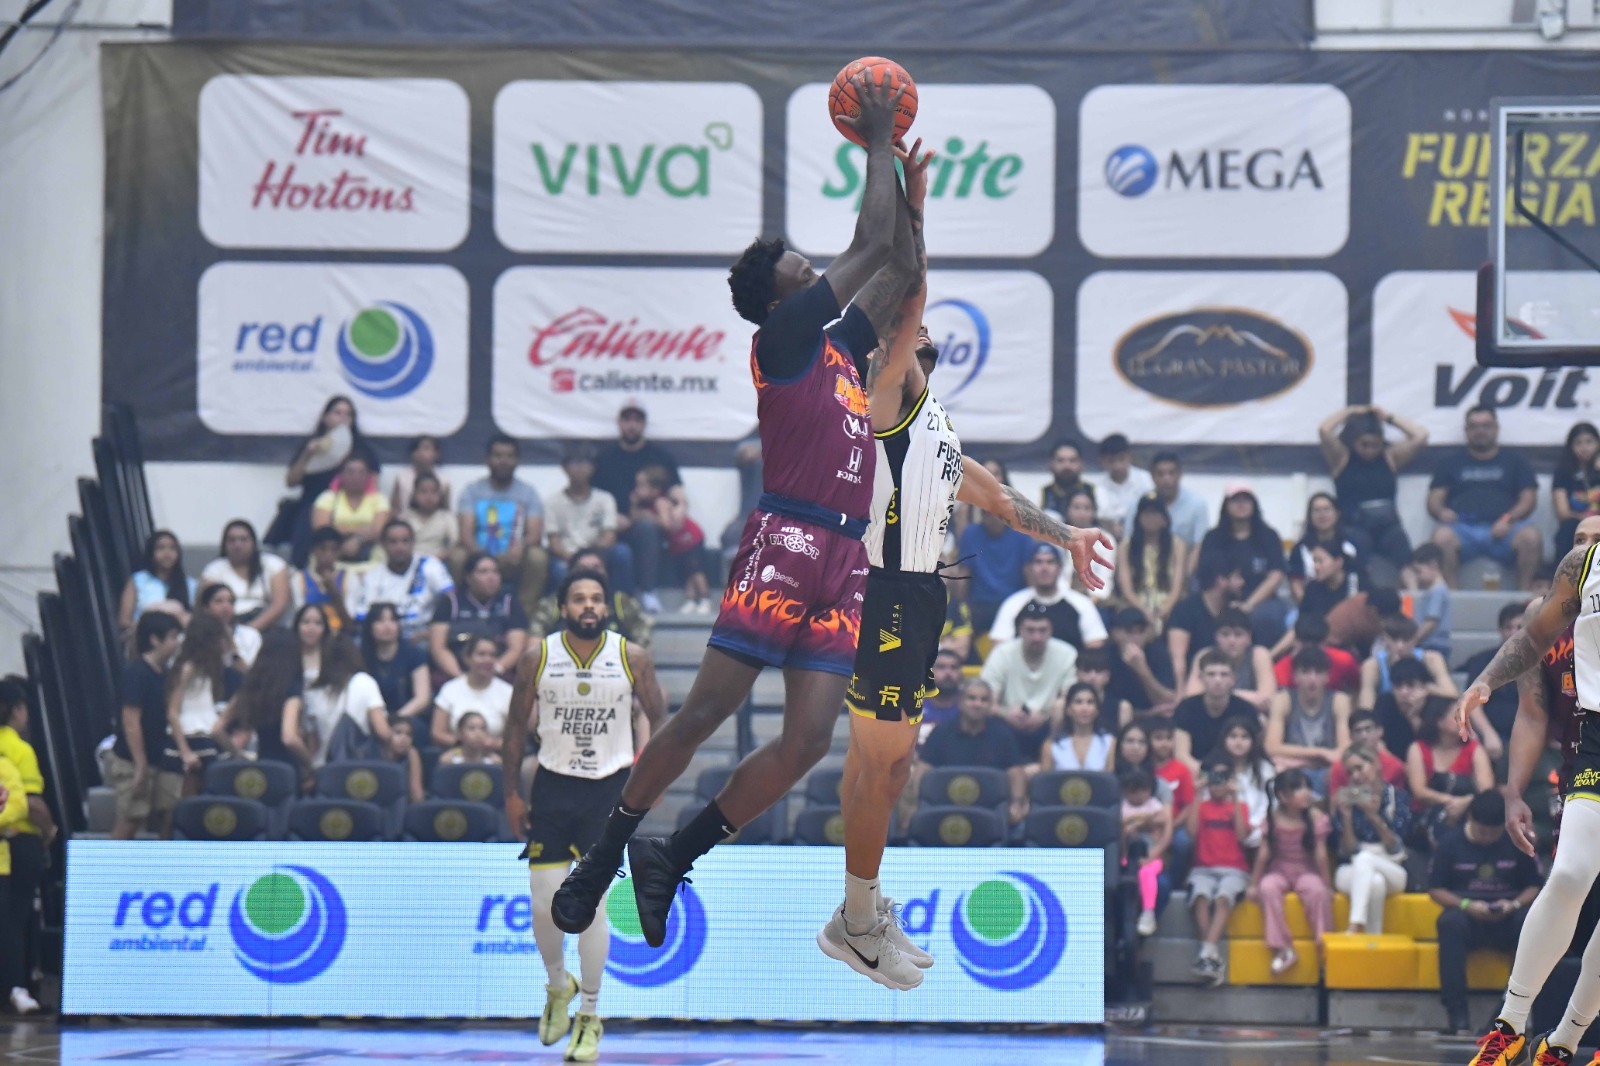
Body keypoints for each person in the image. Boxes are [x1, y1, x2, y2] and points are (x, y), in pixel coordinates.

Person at [549, 71, 916, 950]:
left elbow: (899, 269)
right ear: (781, 296)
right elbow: (870, 244)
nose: (811, 267)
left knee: (809, 741)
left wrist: (914, 194)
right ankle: (604, 854)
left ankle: (672, 854)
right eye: (799, 267)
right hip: (786, 539)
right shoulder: (781, 340)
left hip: (844, 556)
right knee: (705, 712)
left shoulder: (840, 347)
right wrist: (877, 140)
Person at [824, 244, 1116, 990]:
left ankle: (859, 910)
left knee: (889, 766)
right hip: (884, 592)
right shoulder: (882, 394)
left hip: (923, 596)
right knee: (883, 763)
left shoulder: (936, 423)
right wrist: (911, 213)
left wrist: (1070, 536)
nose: (921, 329)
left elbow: (996, 498)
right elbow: (908, 296)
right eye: (909, 327)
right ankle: (856, 920)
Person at [504, 566, 665, 1064]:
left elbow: (659, 716)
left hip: (610, 790)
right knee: (542, 904)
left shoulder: (632, 656)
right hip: (552, 786)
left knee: (590, 906)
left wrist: (652, 774)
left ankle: (591, 1014)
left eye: (596, 597)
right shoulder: (537, 657)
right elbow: (514, 727)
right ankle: (559, 985)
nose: (589, 605)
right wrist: (511, 793)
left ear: (607, 607)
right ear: (562, 608)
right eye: (579, 598)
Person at [1455, 531, 1600, 1066]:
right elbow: (1535, 637)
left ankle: (1563, 1043)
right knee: (1569, 875)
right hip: (1594, 741)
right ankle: (1510, 1025)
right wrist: (1486, 680)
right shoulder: (1584, 566)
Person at [1430, 791, 1542, 1036]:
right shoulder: (1450, 843)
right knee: (1449, 922)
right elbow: (1436, 889)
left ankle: (1508, 1012)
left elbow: (1535, 886)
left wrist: (1513, 904)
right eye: (1482, 832)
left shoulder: (1518, 842)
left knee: (1529, 922)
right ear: (1471, 818)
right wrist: (1466, 905)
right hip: (1468, 916)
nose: (1488, 838)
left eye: (1494, 833)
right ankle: (1457, 1016)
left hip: (1508, 916)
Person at [1428, 404, 1541, 590]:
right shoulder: (1449, 462)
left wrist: (1508, 519)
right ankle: (1452, 600)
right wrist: (1441, 512)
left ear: (1496, 428)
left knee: (1531, 537)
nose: (1480, 431)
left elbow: (1528, 500)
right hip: (1462, 528)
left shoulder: (1516, 461)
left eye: (1486, 426)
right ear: (1466, 430)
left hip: (1505, 527)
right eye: (1474, 426)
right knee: (1441, 538)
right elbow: (1434, 500)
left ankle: (1525, 599)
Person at [593, 401, 684, 615]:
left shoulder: (659, 456)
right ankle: (617, 601)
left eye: (637, 420)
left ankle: (648, 592)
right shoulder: (605, 458)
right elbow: (592, 497)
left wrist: (680, 509)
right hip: (611, 523)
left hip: (646, 522)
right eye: (627, 420)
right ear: (619, 423)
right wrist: (611, 518)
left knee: (646, 527)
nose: (632, 425)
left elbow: (677, 493)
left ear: (644, 424)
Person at [1319, 404, 1428, 573]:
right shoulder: (1342, 458)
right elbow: (1324, 431)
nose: (1369, 450)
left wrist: (1389, 418)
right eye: (1364, 444)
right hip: (1353, 527)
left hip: (1387, 527)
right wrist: (1350, 412)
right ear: (1354, 441)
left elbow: (1421, 436)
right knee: (1358, 549)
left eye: (1375, 445)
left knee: (1405, 557)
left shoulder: (1390, 457)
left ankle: (1409, 590)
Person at [907, 678, 1028, 830]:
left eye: (984, 700)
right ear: (960, 702)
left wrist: (1017, 803)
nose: (977, 704)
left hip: (990, 810)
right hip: (945, 807)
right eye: (972, 698)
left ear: (991, 705)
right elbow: (922, 769)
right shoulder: (941, 732)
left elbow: (1016, 772)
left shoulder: (1003, 735)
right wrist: (915, 804)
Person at [0, 677, 55, 1013]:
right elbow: (33, 803)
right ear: (18, 710)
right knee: (18, 918)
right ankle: (19, 987)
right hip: (21, 841)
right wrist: (50, 831)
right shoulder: (20, 750)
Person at [1248, 769, 1332, 978]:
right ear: (1283, 797)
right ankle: (1283, 948)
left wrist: (1327, 885)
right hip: (1280, 869)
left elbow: (1321, 855)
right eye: (1298, 789)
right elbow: (1264, 854)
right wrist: (1254, 884)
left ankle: (1324, 945)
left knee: (1317, 892)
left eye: (1307, 787)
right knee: (1268, 888)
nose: (1306, 793)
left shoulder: (1315, 818)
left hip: (1305, 870)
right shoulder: (1272, 819)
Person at [108, 612, 184, 840]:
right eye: (172, 637)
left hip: (159, 756)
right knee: (132, 817)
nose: (177, 642)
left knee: (169, 813)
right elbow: (131, 721)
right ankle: (109, 861)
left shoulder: (166, 674)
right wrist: (140, 764)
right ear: (154, 640)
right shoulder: (137, 673)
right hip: (132, 760)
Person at [456, 434, 550, 616]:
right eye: (498, 455)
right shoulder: (472, 490)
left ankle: (524, 614)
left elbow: (535, 534)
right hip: (479, 554)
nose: (503, 461)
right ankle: (460, 609)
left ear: (517, 460)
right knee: (458, 556)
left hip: (514, 558)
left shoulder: (528, 492)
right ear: (487, 459)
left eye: (509, 456)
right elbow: (466, 534)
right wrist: (481, 556)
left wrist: (520, 548)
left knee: (538, 557)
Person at [981, 603, 1079, 760]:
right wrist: (1006, 713)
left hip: (1049, 724)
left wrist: (1045, 716)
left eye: (1042, 630)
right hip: (1006, 722)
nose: (1037, 637)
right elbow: (987, 697)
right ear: (1020, 630)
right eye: (1030, 630)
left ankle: (1055, 760)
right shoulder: (1002, 653)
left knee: (1064, 707)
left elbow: (1072, 697)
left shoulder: (1067, 654)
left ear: (1051, 630)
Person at [1185, 761, 1253, 987]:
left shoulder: (1240, 806)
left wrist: (1234, 796)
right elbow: (1191, 832)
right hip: (1203, 868)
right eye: (1214, 779)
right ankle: (1211, 955)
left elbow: (1242, 835)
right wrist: (1198, 793)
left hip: (1234, 868)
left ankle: (1207, 952)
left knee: (1223, 897)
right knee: (1201, 896)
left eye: (1223, 780)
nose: (1218, 785)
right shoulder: (1202, 806)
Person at [1331, 745, 1411, 934]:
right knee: (1375, 882)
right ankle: (1373, 939)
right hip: (1353, 867)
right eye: (1350, 772)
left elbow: (1396, 847)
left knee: (1365, 859)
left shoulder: (1396, 796)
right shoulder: (1347, 801)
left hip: (1391, 866)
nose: (1356, 776)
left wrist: (1373, 816)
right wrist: (1346, 817)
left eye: (1359, 768)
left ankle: (1354, 925)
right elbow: (1348, 851)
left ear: (1376, 764)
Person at [1197, 483, 1289, 645]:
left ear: (1254, 505)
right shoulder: (1213, 537)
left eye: (1246, 500)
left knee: (1268, 616)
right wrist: (1226, 586)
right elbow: (1205, 573)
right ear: (1226, 505)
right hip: (1221, 598)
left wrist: (1249, 605)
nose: (1241, 504)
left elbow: (1276, 576)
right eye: (1235, 500)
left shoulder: (1269, 536)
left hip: (1261, 601)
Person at [282, 636, 386, 774]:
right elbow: (381, 730)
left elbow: (313, 742)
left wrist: (310, 768)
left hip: (325, 769)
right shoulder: (364, 681)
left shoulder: (313, 691)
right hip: (359, 768)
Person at [280, 395, 363, 566]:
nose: (343, 418)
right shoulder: (313, 445)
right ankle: (300, 570)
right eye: (337, 413)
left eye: (348, 414)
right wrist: (308, 454)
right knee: (305, 519)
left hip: (349, 505)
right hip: (312, 504)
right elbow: (291, 482)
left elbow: (372, 488)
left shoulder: (361, 450)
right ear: (325, 418)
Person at [164, 612, 241, 795]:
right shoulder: (187, 668)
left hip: (207, 730)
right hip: (191, 733)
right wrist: (185, 751)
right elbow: (173, 711)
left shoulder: (208, 669)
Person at [989, 542, 1108, 654]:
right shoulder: (1013, 604)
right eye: (1038, 562)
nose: (1044, 568)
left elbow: (1095, 648)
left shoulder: (1082, 604)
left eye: (1050, 562)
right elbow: (999, 650)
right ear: (1029, 568)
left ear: (1060, 568)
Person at [213, 631, 303, 775]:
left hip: (262, 765)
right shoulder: (292, 690)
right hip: (287, 769)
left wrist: (238, 755)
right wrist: (308, 764)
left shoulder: (251, 687)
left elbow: (217, 730)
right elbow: (289, 737)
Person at [351, 518, 454, 644]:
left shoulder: (429, 565)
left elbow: (452, 599)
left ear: (413, 542)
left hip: (425, 635)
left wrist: (432, 632)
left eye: (405, 541)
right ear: (383, 544)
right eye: (393, 542)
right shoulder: (372, 577)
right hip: (385, 640)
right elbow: (363, 619)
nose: (400, 547)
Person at [1407, 697, 1492, 849]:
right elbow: (1419, 791)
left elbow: (1486, 790)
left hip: (1466, 813)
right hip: (1425, 816)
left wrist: (1466, 802)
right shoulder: (1418, 749)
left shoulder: (1474, 749)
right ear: (1439, 721)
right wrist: (1452, 802)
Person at [545, 441, 630, 593]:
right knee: (558, 569)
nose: (580, 468)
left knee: (621, 552)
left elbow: (609, 536)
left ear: (593, 467)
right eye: (574, 462)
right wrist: (574, 559)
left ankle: (621, 603)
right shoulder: (552, 502)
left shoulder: (605, 499)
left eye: (585, 463)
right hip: (567, 556)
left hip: (599, 554)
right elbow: (554, 542)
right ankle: (561, 607)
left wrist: (592, 558)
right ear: (564, 468)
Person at [429, 553, 529, 682]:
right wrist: (461, 678)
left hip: (498, 674)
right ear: (468, 577)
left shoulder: (509, 602)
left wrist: (494, 671)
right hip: (456, 673)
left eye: (495, 572)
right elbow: (438, 647)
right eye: (483, 572)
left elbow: (516, 648)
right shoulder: (451, 602)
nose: (491, 577)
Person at [528, 548, 653, 649]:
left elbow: (643, 646)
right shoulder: (554, 603)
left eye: (596, 567)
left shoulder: (622, 602)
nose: (590, 573)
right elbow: (535, 643)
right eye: (582, 568)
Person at [1264, 646, 1351, 793]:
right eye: (1305, 672)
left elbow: (1343, 751)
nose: (1312, 679)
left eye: (1318, 672)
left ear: (1327, 677)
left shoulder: (1339, 700)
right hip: (1291, 772)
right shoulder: (1283, 699)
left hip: (1323, 771)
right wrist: (1321, 753)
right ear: (1295, 676)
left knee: (1340, 771)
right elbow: (1271, 747)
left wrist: (1298, 762)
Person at [630, 465, 713, 613]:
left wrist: (650, 517)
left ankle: (705, 598)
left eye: (642, 486)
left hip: (690, 538)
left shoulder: (660, 502)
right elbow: (634, 517)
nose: (637, 490)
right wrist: (634, 504)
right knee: (687, 571)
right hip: (679, 543)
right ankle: (692, 599)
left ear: (655, 489)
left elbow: (666, 524)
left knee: (696, 570)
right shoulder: (649, 504)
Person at [1168, 556, 1246, 694]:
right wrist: (1180, 693)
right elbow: (1178, 659)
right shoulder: (1185, 610)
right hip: (1193, 681)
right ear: (1221, 581)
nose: (1242, 582)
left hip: (1224, 681)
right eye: (1237, 577)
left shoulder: (1233, 610)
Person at [1172, 650, 1258, 773]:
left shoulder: (1246, 710)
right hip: (1195, 772)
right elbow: (1181, 755)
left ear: (1233, 679)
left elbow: (1253, 754)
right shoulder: (1186, 708)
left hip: (1238, 772)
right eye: (1211, 674)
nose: (1217, 680)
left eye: (1224, 675)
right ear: (1201, 678)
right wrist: (1208, 774)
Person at [957, 505, 1038, 636]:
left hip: (1014, 603)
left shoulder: (1022, 535)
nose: (994, 518)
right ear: (982, 515)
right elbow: (964, 574)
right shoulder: (970, 534)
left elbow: (1030, 573)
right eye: (988, 513)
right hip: (979, 605)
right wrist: (960, 606)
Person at [1458, 601, 1530, 745]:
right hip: (1495, 736)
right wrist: (1488, 734)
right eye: (1508, 628)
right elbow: (1473, 703)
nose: (1513, 632)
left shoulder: (1542, 661)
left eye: (1519, 627)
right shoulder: (1483, 661)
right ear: (1500, 630)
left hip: (1531, 735)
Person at [1182, 608, 1276, 713]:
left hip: (1247, 715)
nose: (1231, 641)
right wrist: (1248, 697)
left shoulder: (1259, 654)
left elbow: (1267, 701)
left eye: (1238, 635)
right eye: (1225, 634)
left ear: (1249, 638)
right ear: (1216, 637)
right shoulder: (1204, 655)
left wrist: (1218, 694)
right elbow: (1191, 698)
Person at [1358, 615, 1459, 713]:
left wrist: (1424, 689)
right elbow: (1366, 709)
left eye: (1406, 640)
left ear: (1415, 639)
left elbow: (1452, 695)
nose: (1400, 646)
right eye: (1395, 640)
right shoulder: (1373, 666)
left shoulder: (1431, 659)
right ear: (1384, 639)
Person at [200, 520, 289, 631]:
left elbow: (278, 606)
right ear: (224, 544)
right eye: (232, 540)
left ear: (253, 543)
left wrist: (249, 631)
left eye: (243, 539)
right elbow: (209, 606)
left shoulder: (274, 565)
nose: (238, 545)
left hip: (267, 628)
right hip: (225, 629)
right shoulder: (214, 569)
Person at [1119, 495, 1187, 636]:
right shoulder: (1126, 546)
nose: (1151, 518)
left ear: (1164, 518)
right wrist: (1145, 612)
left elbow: (1178, 585)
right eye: (1146, 514)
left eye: (1156, 513)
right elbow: (1127, 589)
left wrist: (1165, 610)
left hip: (1169, 603)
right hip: (1137, 604)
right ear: (1138, 518)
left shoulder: (1177, 545)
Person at [432, 635, 515, 751]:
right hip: (457, 753)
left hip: (497, 755)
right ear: (467, 658)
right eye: (481, 654)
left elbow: (516, 737)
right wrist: (465, 744)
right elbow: (438, 732)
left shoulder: (508, 692)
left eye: (492, 655)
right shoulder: (450, 689)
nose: (488, 660)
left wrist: (493, 744)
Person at [1128, 453, 1210, 568]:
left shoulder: (1197, 505)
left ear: (1180, 474)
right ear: (1152, 476)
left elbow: (1199, 545)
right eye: (1160, 474)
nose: (1166, 479)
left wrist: (1185, 575)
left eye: (1171, 473)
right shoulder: (1137, 505)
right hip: (1143, 570)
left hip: (1185, 568)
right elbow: (1127, 543)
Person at [360, 603, 433, 729]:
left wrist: (396, 720)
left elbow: (422, 698)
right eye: (380, 620)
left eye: (393, 620)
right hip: (372, 721)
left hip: (408, 720)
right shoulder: (362, 657)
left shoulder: (414, 654)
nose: (387, 626)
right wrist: (379, 722)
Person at [311, 451, 389, 562]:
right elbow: (322, 530)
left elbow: (378, 530)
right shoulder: (327, 497)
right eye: (351, 472)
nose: (356, 477)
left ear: (368, 476)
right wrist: (363, 530)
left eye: (361, 473)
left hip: (370, 555)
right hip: (332, 554)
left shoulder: (379, 499)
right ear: (341, 475)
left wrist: (357, 539)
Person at [1122, 767, 1173, 938]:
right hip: (1127, 856)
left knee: (1147, 873)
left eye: (1142, 791)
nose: (1138, 796)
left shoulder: (1153, 804)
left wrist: (1136, 822)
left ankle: (1148, 912)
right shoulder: (1122, 806)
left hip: (1151, 855)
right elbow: (1119, 826)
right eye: (1133, 792)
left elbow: (1163, 819)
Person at [0, 752, 33, 1013]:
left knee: (6, 927)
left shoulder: (4, 766)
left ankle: (14, 988)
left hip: (1, 866)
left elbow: (18, 805)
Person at [1212, 715, 1277, 846]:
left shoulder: (1265, 769)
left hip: (1260, 828)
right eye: (1233, 736)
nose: (1238, 742)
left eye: (1244, 737)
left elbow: (1272, 802)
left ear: (1253, 741)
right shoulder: (1215, 769)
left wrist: (1256, 824)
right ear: (1224, 739)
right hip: (1224, 830)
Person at [1287, 494, 1364, 603]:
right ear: (1310, 516)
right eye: (1317, 511)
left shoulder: (1352, 545)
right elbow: (1295, 583)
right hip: (1313, 604)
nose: (1322, 515)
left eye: (1327, 509)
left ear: (1337, 513)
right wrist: (1307, 605)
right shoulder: (1300, 549)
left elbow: (1359, 579)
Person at [118, 529, 196, 635]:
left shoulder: (190, 584)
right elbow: (124, 621)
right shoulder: (138, 580)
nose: (167, 554)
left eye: (172, 548)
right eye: (161, 548)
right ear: (151, 552)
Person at [1272, 613, 1362, 696]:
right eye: (1305, 644)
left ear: (1326, 642)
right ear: (1295, 642)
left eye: (1316, 644)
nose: (1311, 650)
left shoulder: (1344, 661)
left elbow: (1358, 688)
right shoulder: (1280, 671)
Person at [289, 527, 353, 635]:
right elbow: (299, 617)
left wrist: (333, 591)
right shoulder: (299, 578)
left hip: (340, 635)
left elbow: (350, 624)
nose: (328, 554)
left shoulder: (348, 577)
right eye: (323, 549)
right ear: (313, 550)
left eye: (334, 550)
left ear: (340, 552)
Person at [1092, 433, 1154, 543]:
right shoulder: (1097, 486)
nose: (1117, 466)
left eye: (1121, 459)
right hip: (1111, 538)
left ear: (1130, 456)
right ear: (1102, 461)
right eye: (1111, 461)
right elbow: (1102, 516)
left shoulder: (1147, 480)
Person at [1041, 683, 1114, 772]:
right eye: (1078, 702)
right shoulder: (1051, 745)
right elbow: (1046, 779)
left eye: (1090, 702)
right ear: (1068, 709)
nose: (1085, 708)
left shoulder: (1108, 741)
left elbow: (1109, 778)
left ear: (1097, 710)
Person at [1329, 710, 1409, 792]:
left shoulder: (1395, 767)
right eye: (1358, 731)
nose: (1363, 736)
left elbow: (1397, 796)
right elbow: (1335, 798)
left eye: (1368, 729)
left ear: (1380, 731)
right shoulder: (1339, 767)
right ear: (1350, 736)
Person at [1552, 421, 1600, 557]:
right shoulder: (1563, 472)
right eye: (1578, 443)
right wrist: (1586, 518)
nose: (1584, 448)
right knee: (1569, 529)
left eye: (1589, 442)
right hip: (1576, 524)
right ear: (1571, 447)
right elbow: (1563, 513)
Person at [1296, 544, 1364, 632]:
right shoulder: (1312, 587)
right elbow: (1303, 621)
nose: (1316, 567)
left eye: (1321, 561)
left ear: (1338, 562)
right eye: (1315, 561)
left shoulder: (1357, 583)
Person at [1063, 489, 1116, 602]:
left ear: (1094, 511)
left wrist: (1092, 600)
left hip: (1096, 599)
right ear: (1067, 510)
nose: (1081, 513)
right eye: (1076, 507)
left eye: (1087, 508)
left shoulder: (1105, 539)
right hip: (1062, 597)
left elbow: (1106, 576)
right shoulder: (1056, 537)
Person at [1408, 543, 1453, 657]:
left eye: (1419, 571)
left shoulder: (1438, 592)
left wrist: (1414, 640)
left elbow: (1431, 621)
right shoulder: (1433, 591)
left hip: (1433, 645)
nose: (1417, 576)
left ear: (1433, 565)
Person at [401, 472, 457, 560]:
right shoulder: (405, 517)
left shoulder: (446, 517)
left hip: (438, 560)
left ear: (440, 495)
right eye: (423, 492)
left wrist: (438, 557)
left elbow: (454, 543)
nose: (429, 497)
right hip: (409, 561)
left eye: (434, 492)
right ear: (414, 495)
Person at [389, 434, 451, 515]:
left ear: (436, 454)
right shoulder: (402, 478)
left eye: (426, 448)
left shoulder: (443, 481)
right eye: (417, 449)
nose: (421, 452)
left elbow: (445, 510)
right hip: (406, 519)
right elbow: (394, 509)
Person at [380, 716, 426, 803]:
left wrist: (414, 758)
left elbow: (417, 796)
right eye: (398, 733)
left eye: (408, 735)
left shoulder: (411, 756)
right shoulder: (373, 755)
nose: (404, 739)